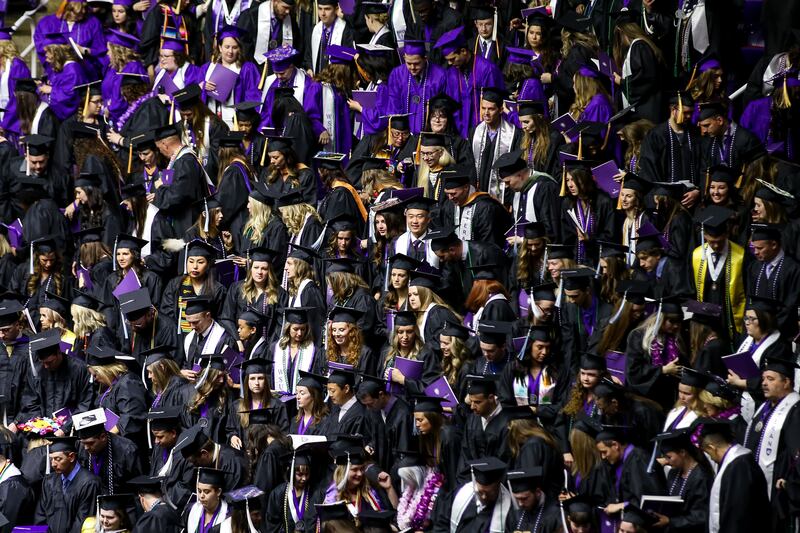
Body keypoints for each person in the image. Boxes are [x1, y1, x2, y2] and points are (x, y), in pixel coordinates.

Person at [741, 356, 800, 529]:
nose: (764, 383)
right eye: (763, 379)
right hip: (758, 485)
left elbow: (795, 453)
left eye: (771, 379)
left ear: (787, 382)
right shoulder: (765, 407)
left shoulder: (795, 411)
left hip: (777, 489)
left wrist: (789, 482)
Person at [14, 329, 94, 437]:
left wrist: (65, 428)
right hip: (41, 431)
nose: (46, 366)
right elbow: (30, 403)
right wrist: (40, 425)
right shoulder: (36, 371)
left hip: (70, 431)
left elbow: (85, 404)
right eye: (43, 362)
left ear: (58, 353)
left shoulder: (79, 369)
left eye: (49, 362)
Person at [699, 419, 770, 533]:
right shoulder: (739, 462)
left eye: (708, 453)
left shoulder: (739, 466)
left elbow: (737, 514)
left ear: (712, 447)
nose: (711, 458)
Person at [591, 425, 666, 530]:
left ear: (615, 445)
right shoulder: (623, 460)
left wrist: (621, 505)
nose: (603, 457)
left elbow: (646, 498)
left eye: (604, 452)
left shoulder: (638, 459)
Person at [435, 27, 504, 138]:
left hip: (486, 131)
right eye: (447, 60)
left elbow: (495, 103)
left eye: (453, 59)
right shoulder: (451, 74)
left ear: (463, 51)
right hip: (461, 133)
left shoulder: (487, 69)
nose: (450, 63)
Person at [691, 205, 746, 340]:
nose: (715, 246)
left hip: (730, 317)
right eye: (711, 242)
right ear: (704, 236)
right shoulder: (697, 255)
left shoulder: (741, 256)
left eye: (719, 242)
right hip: (706, 316)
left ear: (727, 234)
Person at [151, 122, 208, 236]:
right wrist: (157, 194)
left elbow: (176, 197)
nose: (160, 152)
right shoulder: (175, 160)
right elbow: (167, 185)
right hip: (181, 219)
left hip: (187, 222)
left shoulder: (185, 161)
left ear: (164, 145)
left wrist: (159, 191)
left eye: (159, 148)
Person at [34, 436, 101, 533]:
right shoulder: (49, 481)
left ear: (71, 457)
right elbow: (40, 515)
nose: (53, 464)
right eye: (51, 459)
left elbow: (83, 520)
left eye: (58, 459)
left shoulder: (89, 483)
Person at [651, 428, 713, 532]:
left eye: (669, 457)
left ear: (683, 452)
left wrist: (670, 521)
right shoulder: (673, 473)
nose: (666, 461)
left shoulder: (701, 477)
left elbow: (701, 515)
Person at [431, 457, 513, 533]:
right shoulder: (460, 494)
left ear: (498, 487)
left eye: (490, 493)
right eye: (480, 492)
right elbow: (442, 525)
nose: (484, 497)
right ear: (474, 483)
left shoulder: (509, 509)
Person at [73, 407, 143, 495]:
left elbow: (137, 485)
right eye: (84, 443)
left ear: (102, 437)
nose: (86, 448)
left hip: (122, 503)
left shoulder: (127, 449)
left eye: (90, 443)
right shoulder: (81, 447)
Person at [386, 40, 449, 134]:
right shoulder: (397, 74)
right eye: (408, 63)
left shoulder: (439, 75)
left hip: (429, 134)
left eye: (416, 63)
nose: (412, 67)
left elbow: (443, 108)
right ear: (404, 57)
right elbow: (393, 105)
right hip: (404, 135)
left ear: (425, 58)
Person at [697, 101, 764, 174]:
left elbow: (757, 172)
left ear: (720, 120)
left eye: (706, 125)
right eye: (701, 126)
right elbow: (704, 172)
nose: (703, 131)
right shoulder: (707, 141)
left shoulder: (747, 139)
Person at [504, 467, 562, 532]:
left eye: (524, 498)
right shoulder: (514, 514)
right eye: (517, 498)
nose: (520, 504)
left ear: (537, 492)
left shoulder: (555, 515)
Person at [185, 467, 229, 533]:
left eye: (206, 492)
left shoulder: (227, 516)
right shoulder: (191, 510)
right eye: (199, 491)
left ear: (218, 492)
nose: (201, 496)